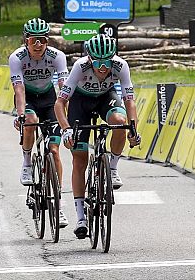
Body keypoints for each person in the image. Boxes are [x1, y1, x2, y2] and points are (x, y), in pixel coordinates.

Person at [54, 34, 141, 239]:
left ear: (114, 57)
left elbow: (129, 101)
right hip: (80, 102)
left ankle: (112, 167)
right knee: (79, 157)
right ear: (89, 58)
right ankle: (81, 217)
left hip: (105, 98)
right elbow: (60, 104)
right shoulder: (80, 66)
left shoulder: (121, 65)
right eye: (98, 62)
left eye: (107, 62)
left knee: (120, 122)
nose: (103, 67)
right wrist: (66, 129)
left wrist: (133, 129)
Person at [9, 18, 69, 228]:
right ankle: (27, 162)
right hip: (28, 99)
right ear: (26, 39)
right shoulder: (17, 57)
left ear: (47, 40)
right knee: (31, 121)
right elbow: (19, 90)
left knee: (54, 151)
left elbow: (63, 86)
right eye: (34, 40)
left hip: (49, 99)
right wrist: (20, 114)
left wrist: (65, 119)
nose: (38, 45)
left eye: (42, 40)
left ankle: (59, 207)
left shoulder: (57, 56)